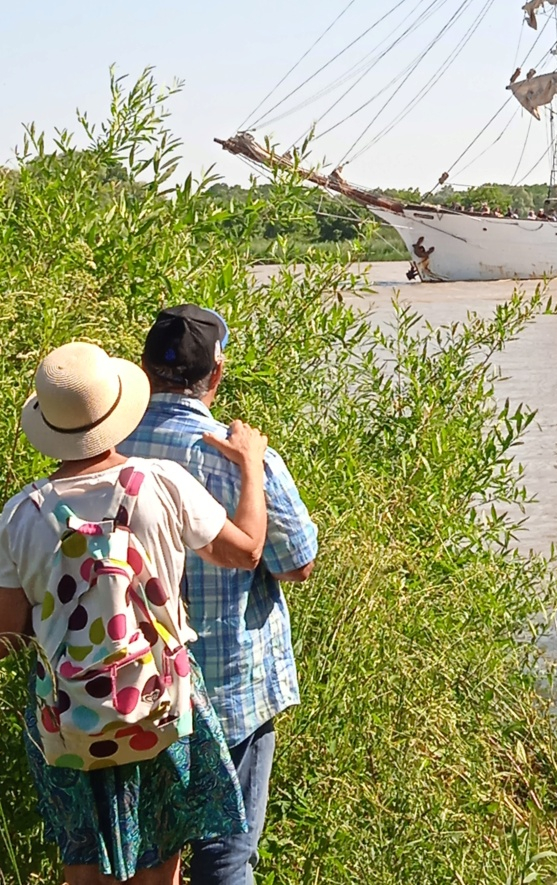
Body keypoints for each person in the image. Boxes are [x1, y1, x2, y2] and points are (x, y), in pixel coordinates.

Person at [0, 340, 269, 883]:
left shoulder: (20, 515)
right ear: (117, 412)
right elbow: (247, 551)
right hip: (158, 705)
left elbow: (6, 634)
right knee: (159, 866)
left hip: (67, 714)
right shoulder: (161, 485)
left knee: (82, 868)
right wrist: (253, 468)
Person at [122, 306, 318, 885]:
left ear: (143, 369)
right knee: (226, 856)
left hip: (130, 687)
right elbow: (297, 564)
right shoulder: (238, 456)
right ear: (218, 373)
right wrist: (253, 468)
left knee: (147, 854)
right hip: (230, 687)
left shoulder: (105, 450)